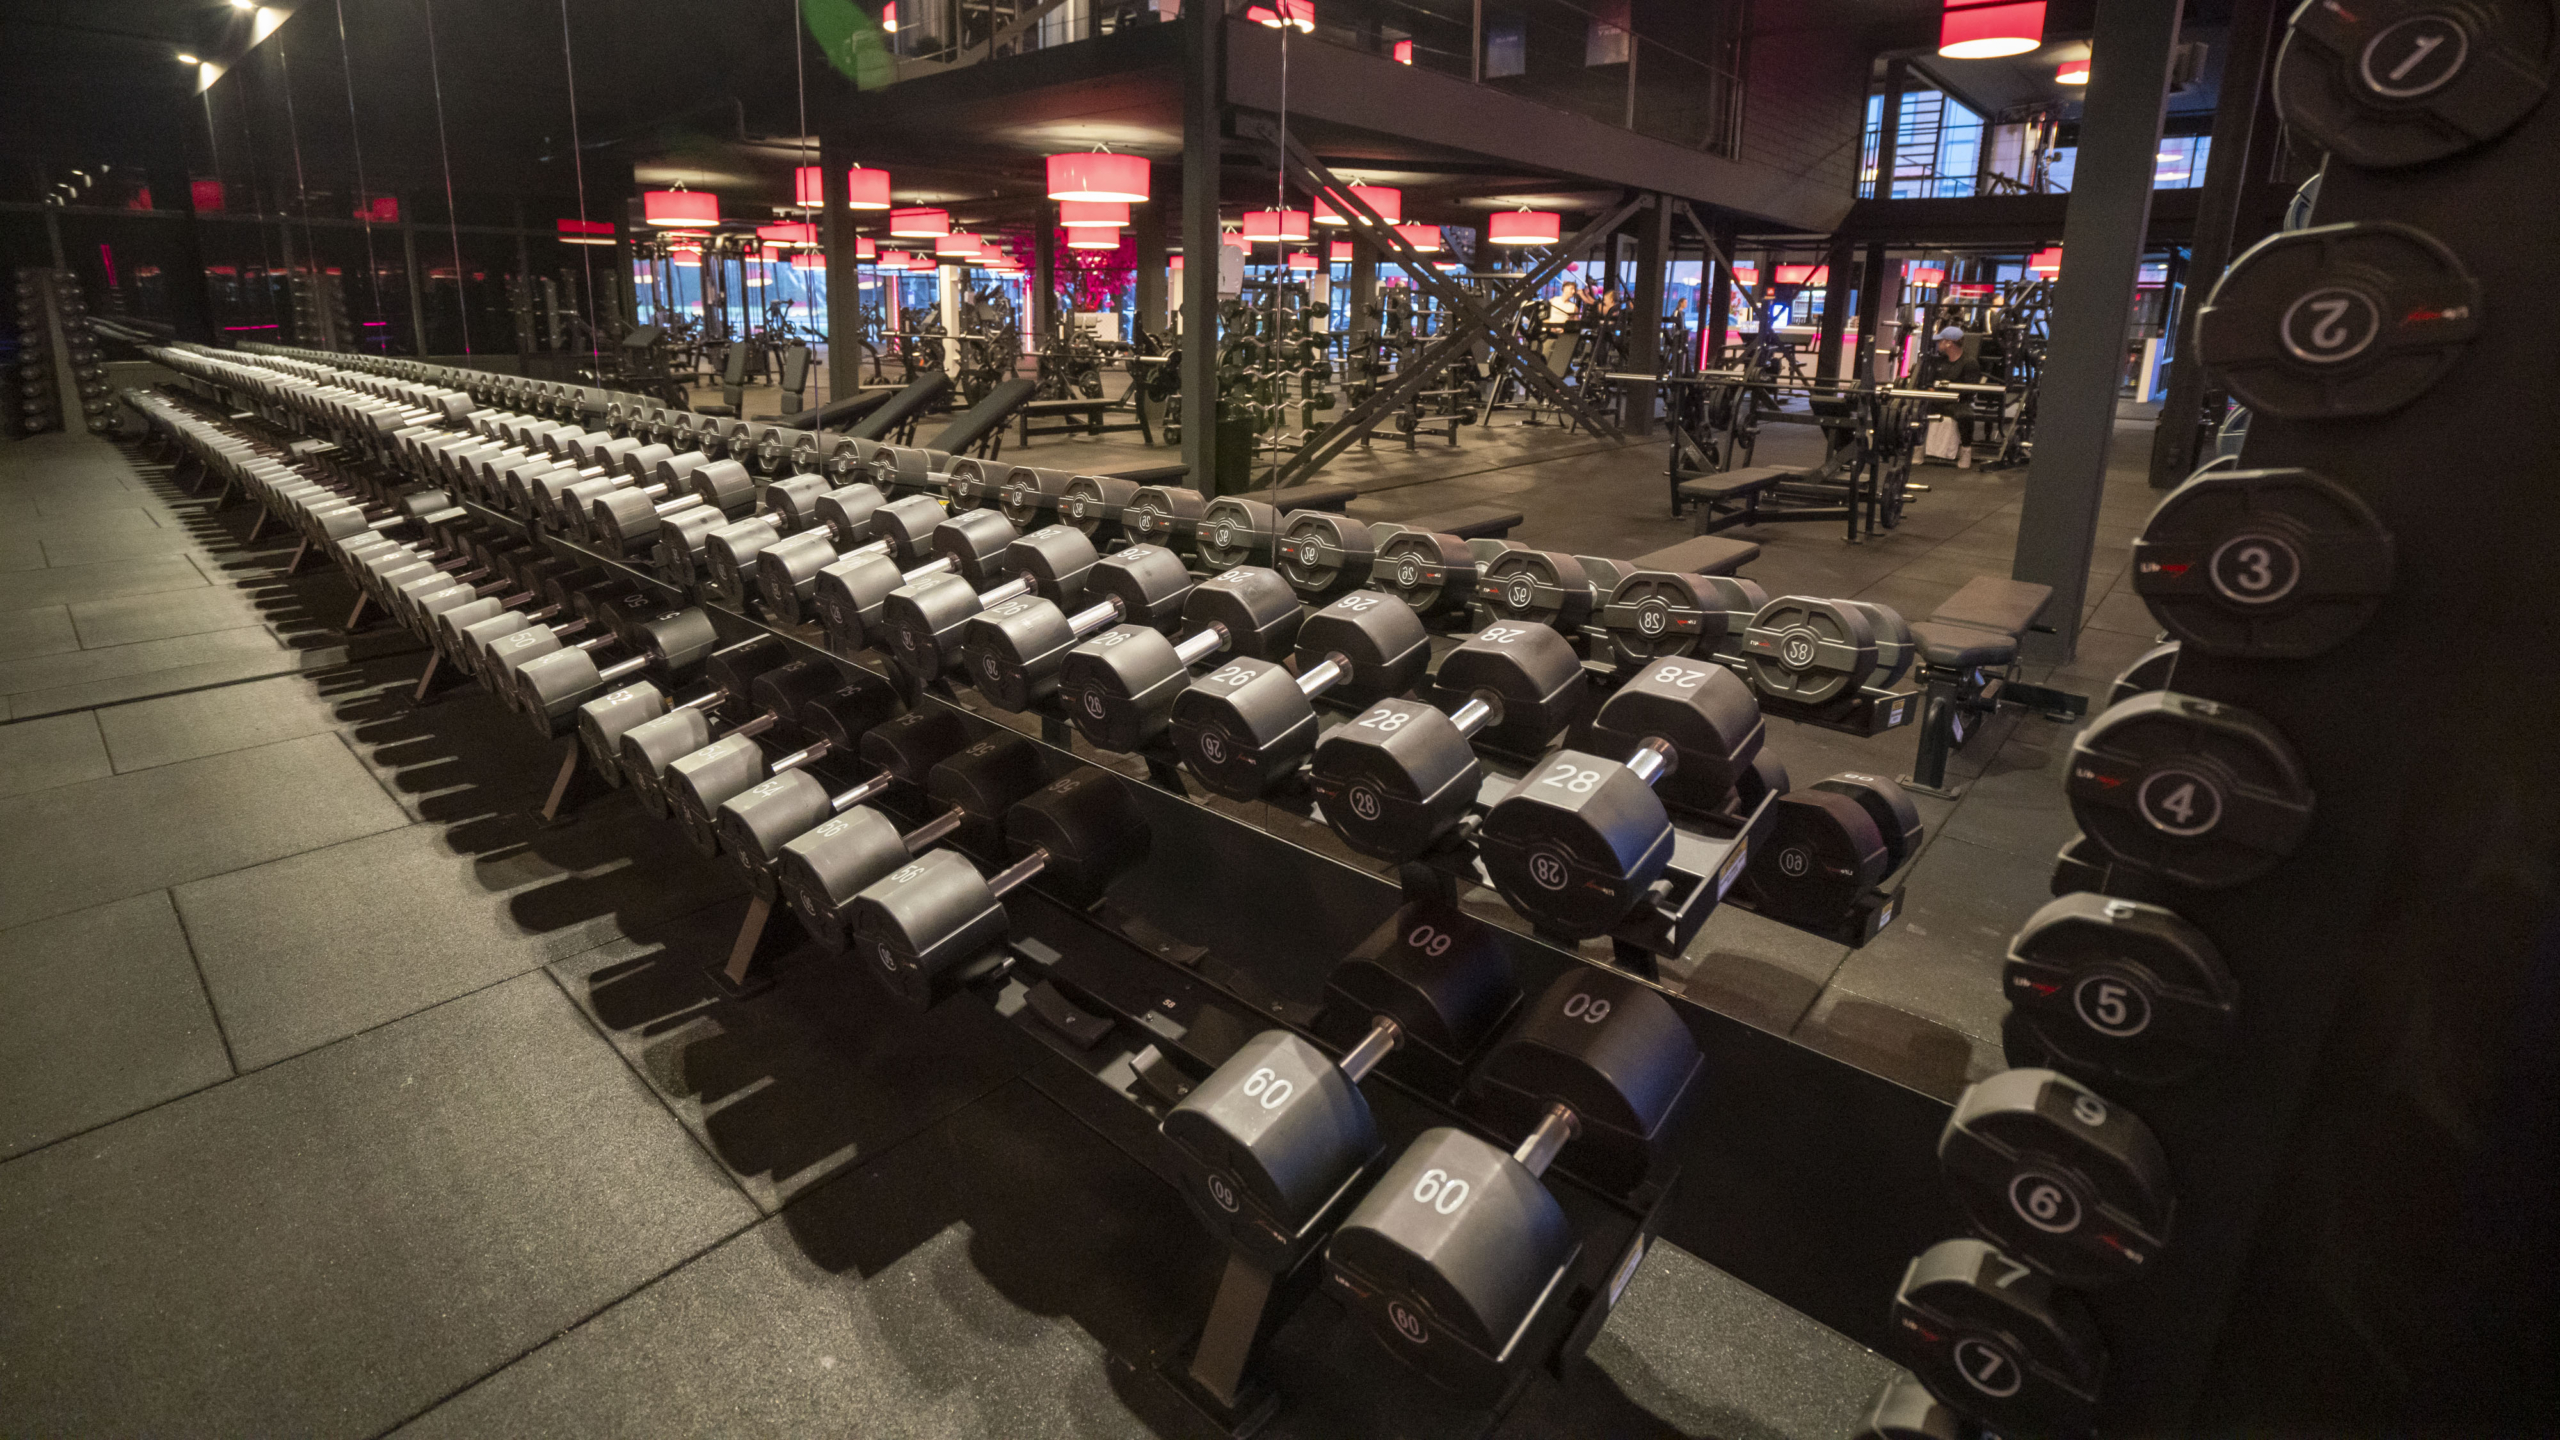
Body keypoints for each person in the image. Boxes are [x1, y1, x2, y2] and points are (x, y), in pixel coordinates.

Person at [1916, 325, 1985, 466]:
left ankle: (1966, 452)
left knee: (1965, 416)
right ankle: (1918, 449)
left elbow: (1970, 390)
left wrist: (1946, 394)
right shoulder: (1939, 361)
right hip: (1937, 401)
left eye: (1940, 341)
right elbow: (1929, 382)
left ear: (1949, 343)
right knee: (1917, 411)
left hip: (1958, 402)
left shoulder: (1969, 363)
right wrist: (1930, 390)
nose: (1938, 344)